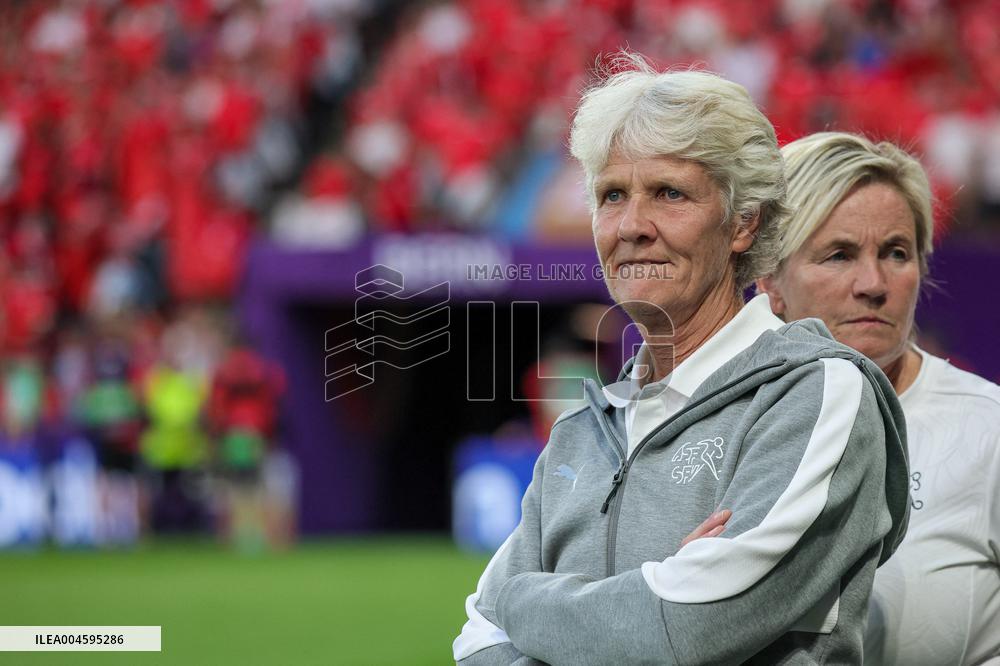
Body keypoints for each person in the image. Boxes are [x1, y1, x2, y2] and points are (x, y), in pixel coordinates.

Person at [453, 55, 911, 665]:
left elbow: (687, 628)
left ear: (743, 221)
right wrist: (651, 588)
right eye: (612, 195)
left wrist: (522, 602)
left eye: (669, 193)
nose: (632, 225)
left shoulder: (819, 392)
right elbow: (476, 640)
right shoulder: (580, 432)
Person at [754, 132, 1000, 665]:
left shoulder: (989, 432)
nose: (874, 283)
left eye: (896, 253)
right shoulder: (724, 431)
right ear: (769, 278)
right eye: (839, 255)